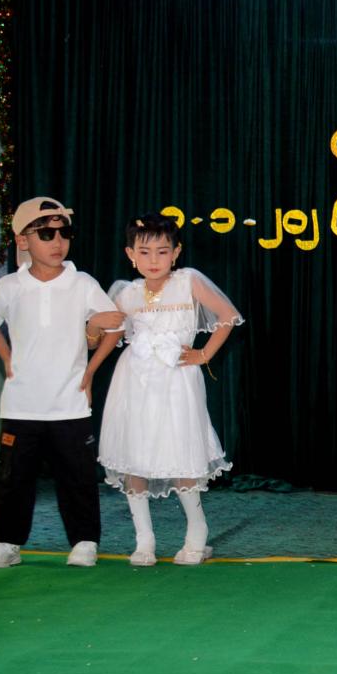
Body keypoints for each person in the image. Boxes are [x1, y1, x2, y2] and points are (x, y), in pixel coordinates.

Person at [0, 197, 124, 569]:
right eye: (46, 234)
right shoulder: (10, 286)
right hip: (21, 403)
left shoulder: (82, 283)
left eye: (64, 233)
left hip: (69, 403)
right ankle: (7, 543)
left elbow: (115, 324)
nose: (57, 242)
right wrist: (7, 358)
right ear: (23, 240)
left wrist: (90, 372)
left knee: (77, 477)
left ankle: (85, 541)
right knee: (13, 478)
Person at [95, 214, 242, 566]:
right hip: (133, 380)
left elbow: (228, 315)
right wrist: (93, 325)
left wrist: (203, 354)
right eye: (144, 252)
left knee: (180, 447)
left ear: (176, 253)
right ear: (131, 254)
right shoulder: (125, 293)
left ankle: (196, 532)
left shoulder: (188, 281)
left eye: (162, 252)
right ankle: (144, 539)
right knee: (134, 451)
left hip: (177, 378)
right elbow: (102, 338)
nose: (153, 260)